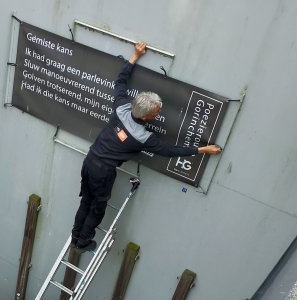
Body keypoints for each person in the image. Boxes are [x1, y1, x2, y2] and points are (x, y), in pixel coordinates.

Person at [71, 41, 223, 252]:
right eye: (157, 112)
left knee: (85, 201)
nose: (159, 114)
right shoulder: (142, 136)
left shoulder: (121, 107)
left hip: (89, 161)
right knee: (97, 207)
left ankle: (75, 237)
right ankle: (83, 241)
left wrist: (134, 56)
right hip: (103, 172)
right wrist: (202, 150)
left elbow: (120, 83)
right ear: (147, 115)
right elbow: (171, 151)